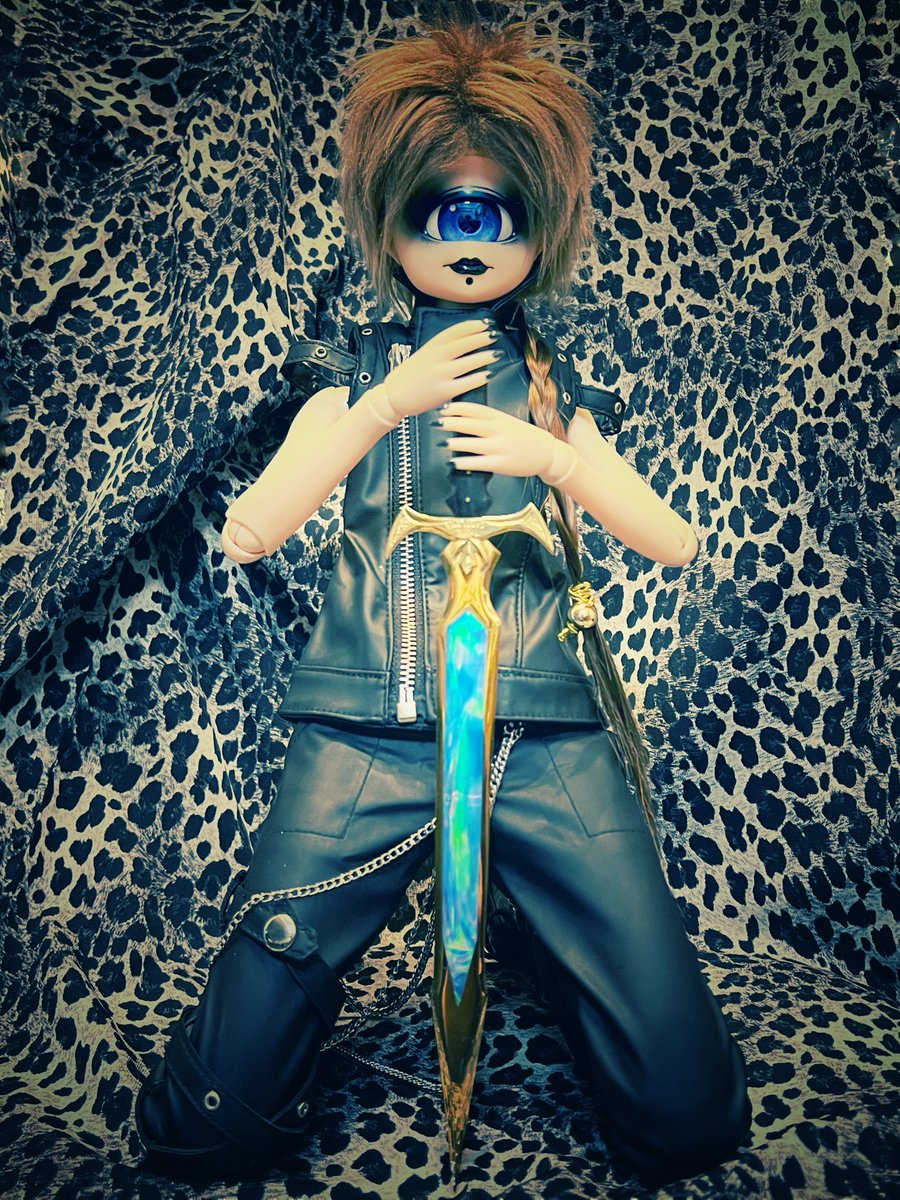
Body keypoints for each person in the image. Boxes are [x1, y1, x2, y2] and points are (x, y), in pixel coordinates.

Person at [136, 19, 752, 1186]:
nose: (470, 236)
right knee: (205, 1118)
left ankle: (560, 967)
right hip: (363, 725)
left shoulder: (558, 392)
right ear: (391, 218)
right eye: (439, 206)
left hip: (543, 732)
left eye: (499, 209)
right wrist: (381, 405)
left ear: (541, 225)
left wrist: (558, 459)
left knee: (690, 1113)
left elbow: (675, 541)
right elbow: (248, 529)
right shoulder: (354, 376)